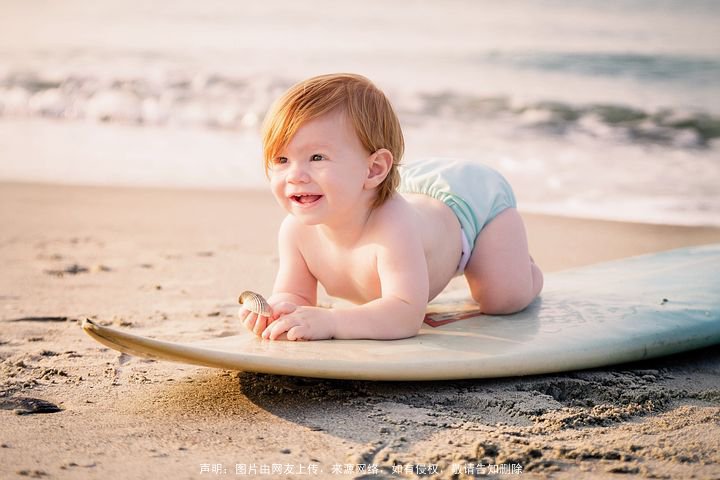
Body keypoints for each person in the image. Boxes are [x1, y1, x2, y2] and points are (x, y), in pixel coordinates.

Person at [239, 73, 543, 341]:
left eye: (317, 158)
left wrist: (332, 320)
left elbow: (405, 315)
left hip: (472, 207)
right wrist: (278, 310)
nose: (295, 175)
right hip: (420, 195)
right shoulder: (296, 231)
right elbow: (296, 295)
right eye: (281, 160)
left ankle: (522, 264)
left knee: (501, 300)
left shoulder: (393, 226)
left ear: (373, 170)